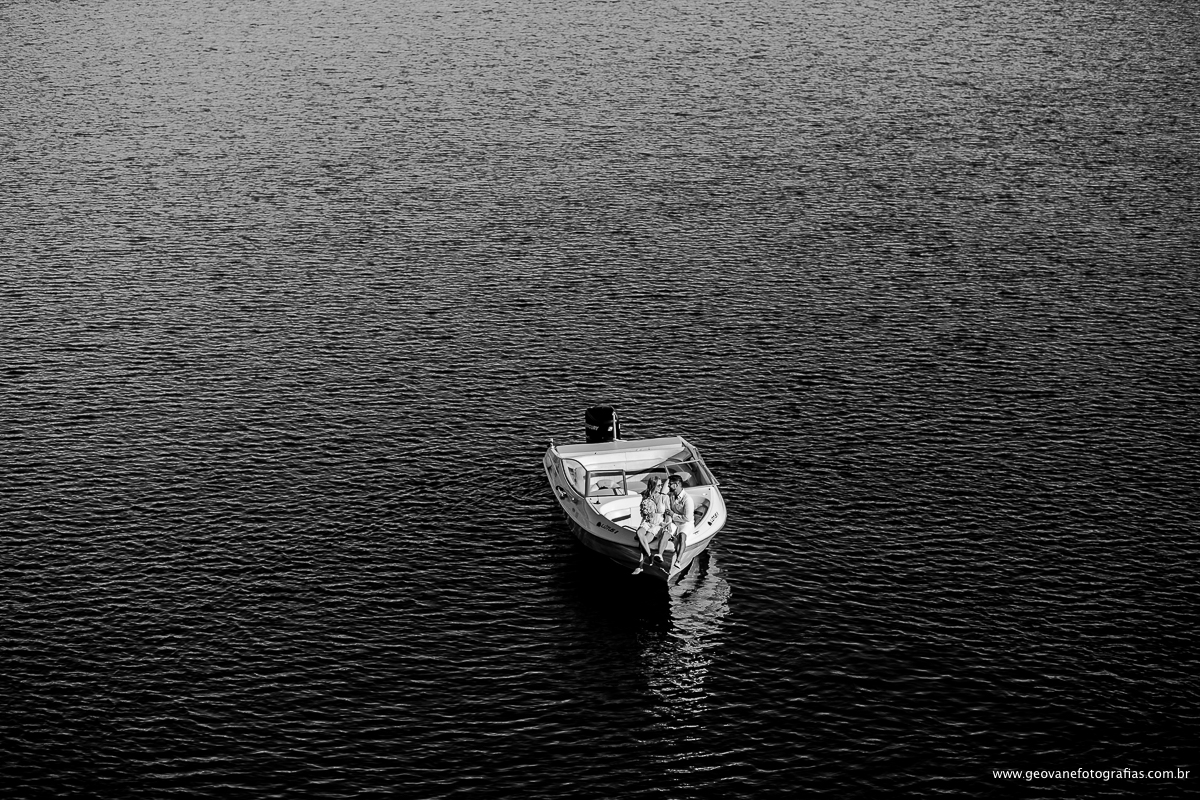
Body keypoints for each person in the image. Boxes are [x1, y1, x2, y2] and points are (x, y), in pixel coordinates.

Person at [654, 474, 694, 568]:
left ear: (676, 485)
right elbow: (663, 495)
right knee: (666, 531)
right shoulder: (671, 495)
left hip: (685, 523)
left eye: (670, 484)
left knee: (682, 536)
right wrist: (669, 522)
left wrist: (672, 515)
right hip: (674, 522)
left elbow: (687, 518)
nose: (668, 486)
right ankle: (660, 555)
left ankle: (678, 561)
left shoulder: (687, 499)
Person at [631, 476, 669, 574]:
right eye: (659, 485)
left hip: (658, 524)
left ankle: (640, 565)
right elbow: (643, 514)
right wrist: (644, 512)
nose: (660, 487)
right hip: (648, 522)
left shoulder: (663, 497)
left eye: (661, 485)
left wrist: (667, 525)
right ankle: (650, 556)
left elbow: (668, 513)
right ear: (653, 486)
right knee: (639, 532)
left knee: (645, 541)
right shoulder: (645, 496)